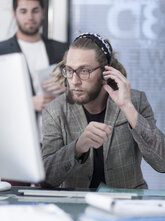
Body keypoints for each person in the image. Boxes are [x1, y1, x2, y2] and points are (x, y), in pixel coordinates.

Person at [42, 32, 165, 190]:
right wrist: (78, 147)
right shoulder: (55, 110)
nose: (74, 81)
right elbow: (47, 178)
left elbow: (162, 162)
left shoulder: (135, 101)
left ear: (105, 72)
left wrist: (128, 108)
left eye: (84, 71)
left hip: (126, 206)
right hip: (77, 206)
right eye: (69, 71)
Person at [0, 0, 67, 142]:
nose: (30, 17)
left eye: (35, 11)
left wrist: (68, 85)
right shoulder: (2, 52)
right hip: (16, 141)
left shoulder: (62, 50)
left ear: (43, 12)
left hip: (56, 141)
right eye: (23, 11)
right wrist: (27, 104)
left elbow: (82, 91)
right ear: (14, 14)